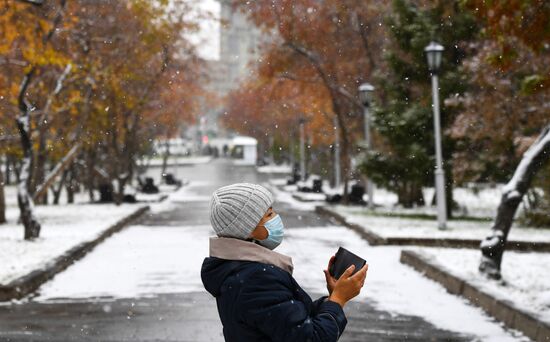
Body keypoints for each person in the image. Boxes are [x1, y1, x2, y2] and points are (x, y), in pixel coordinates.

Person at [201, 183, 368, 341]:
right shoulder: (256, 280)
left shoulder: (241, 271)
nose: (276, 218)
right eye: (268, 215)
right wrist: (338, 299)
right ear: (247, 230)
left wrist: (332, 298)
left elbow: (291, 322)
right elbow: (312, 337)